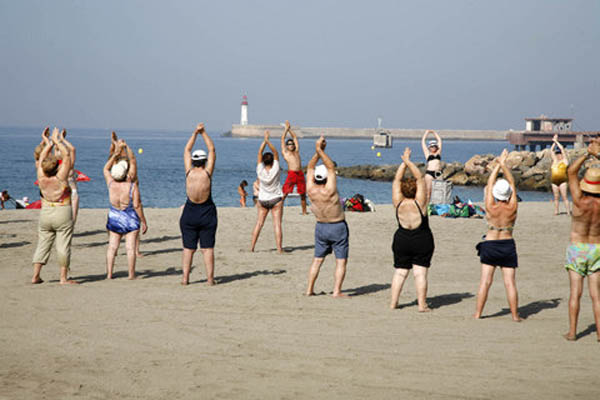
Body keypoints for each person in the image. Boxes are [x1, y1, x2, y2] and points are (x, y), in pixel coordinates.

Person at [474, 149, 520, 322]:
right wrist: (504, 164)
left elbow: (490, 182)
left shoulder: (491, 206)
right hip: (507, 243)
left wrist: (497, 166)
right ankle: (515, 316)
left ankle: (478, 313)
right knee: (510, 282)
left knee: (485, 281)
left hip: (491, 243)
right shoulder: (512, 207)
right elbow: (512, 184)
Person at [563, 138, 600, 341]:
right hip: (597, 247)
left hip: (577, 248)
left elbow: (570, 172)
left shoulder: (579, 201)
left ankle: (572, 332)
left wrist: (588, 153)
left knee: (575, 293)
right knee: (597, 296)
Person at [390, 147, 434, 311]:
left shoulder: (398, 202)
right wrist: (409, 161)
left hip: (402, 239)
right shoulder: (420, 202)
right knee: (420, 273)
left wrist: (404, 162)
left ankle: (393, 303)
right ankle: (421, 305)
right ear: (416, 190)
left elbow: (396, 180)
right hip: (421, 239)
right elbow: (420, 177)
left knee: (400, 273)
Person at [31, 127, 77, 284]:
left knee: (43, 244)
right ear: (56, 167)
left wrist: (48, 141)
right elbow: (66, 155)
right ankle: (63, 278)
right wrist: (58, 140)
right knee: (63, 244)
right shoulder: (60, 177)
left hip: (45, 212)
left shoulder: (41, 175)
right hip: (62, 210)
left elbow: (42, 156)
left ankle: (35, 275)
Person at [305, 136, 348, 297]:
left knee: (317, 259)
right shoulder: (330, 189)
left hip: (321, 226)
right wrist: (321, 150)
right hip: (337, 225)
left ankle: (309, 289)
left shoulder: (311, 189)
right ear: (327, 178)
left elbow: (310, 168)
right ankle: (336, 291)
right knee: (341, 260)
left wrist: (317, 151)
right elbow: (330, 167)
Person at [103, 139, 148, 279]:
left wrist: (116, 153)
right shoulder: (131, 185)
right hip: (130, 217)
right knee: (130, 248)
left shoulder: (110, 183)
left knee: (112, 247)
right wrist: (144, 221)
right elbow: (137, 205)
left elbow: (105, 169)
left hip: (114, 216)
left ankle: (109, 274)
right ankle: (131, 274)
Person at [180, 123, 217, 285]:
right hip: (206, 211)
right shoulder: (207, 172)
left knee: (188, 249)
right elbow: (212, 149)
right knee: (207, 248)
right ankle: (210, 280)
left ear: (194, 161)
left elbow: (187, 150)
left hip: (190, 211)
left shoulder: (189, 172)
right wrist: (204, 133)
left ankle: (185, 279)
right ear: (205, 161)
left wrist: (195, 133)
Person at [109, 131, 146, 257]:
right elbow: (133, 158)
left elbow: (112, 157)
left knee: (116, 225)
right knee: (135, 225)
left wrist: (115, 143)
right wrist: (125, 146)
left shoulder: (116, 174)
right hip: (131, 198)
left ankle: (126, 250)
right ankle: (135, 250)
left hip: (120, 199)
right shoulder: (130, 174)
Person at [250, 131, 284, 253]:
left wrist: (264, 140)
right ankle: (279, 249)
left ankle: (252, 247)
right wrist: (269, 141)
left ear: (263, 162)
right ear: (272, 161)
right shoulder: (276, 168)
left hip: (263, 199)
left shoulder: (260, 170)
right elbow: (276, 153)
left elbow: (259, 153)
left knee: (259, 224)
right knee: (277, 224)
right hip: (276, 199)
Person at [281, 120, 308, 214]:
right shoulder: (286, 153)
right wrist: (285, 130)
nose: (291, 145)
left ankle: (304, 211)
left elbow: (295, 137)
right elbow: (282, 139)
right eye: (289, 144)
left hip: (300, 173)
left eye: (292, 144)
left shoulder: (296, 152)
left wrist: (290, 129)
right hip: (292, 173)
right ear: (286, 146)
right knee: (285, 192)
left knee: (303, 193)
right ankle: (279, 208)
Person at [55, 129, 80, 224]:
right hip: (71, 193)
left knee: (62, 217)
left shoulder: (57, 167)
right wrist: (62, 139)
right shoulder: (69, 166)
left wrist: (58, 139)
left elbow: (56, 149)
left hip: (61, 193)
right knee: (72, 218)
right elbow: (73, 149)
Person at [550, 134, 571, 216]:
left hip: (563, 181)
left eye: (559, 154)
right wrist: (553, 142)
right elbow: (551, 151)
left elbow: (562, 149)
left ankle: (568, 211)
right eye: (557, 154)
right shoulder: (554, 161)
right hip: (554, 181)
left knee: (564, 197)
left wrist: (556, 141)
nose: (558, 155)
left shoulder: (565, 161)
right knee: (556, 197)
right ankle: (556, 211)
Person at [421, 130, 443, 201]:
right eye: (431, 146)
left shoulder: (438, 152)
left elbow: (439, 140)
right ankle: (427, 207)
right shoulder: (427, 154)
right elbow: (423, 142)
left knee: (440, 192)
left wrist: (434, 132)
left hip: (438, 173)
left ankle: (437, 206)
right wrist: (426, 133)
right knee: (428, 192)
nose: (433, 147)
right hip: (429, 173)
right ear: (429, 147)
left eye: (434, 146)